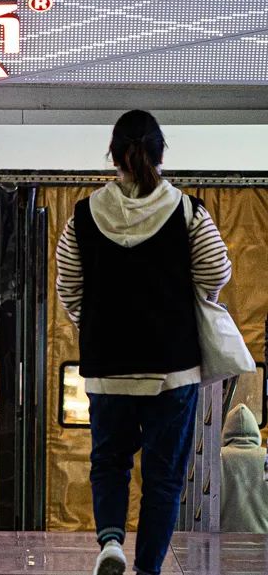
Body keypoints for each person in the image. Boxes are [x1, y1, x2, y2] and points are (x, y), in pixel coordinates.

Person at [55, 110, 232, 575]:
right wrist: (185, 304)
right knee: (163, 477)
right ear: (160, 154)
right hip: (172, 370)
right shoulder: (188, 211)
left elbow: (68, 286)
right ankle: (148, 569)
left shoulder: (82, 216)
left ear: (114, 156)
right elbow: (217, 271)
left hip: (107, 370)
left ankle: (111, 542)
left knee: (109, 463)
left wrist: (97, 325)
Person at [219, 403, 268, 533]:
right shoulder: (266, 458)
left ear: (225, 432)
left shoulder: (217, 458)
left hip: (220, 541)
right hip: (263, 541)